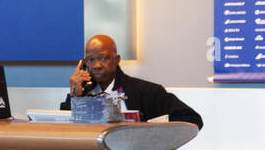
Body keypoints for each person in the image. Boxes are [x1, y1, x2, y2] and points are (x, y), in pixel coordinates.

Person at [59, 34, 203, 128]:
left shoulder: (147, 92)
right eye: (90, 60)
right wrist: (75, 97)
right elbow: (63, 131)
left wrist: (151, 135)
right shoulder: (81, 94)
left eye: (103, 58)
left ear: (117, 60)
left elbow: (191, 119)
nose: (96, 65)